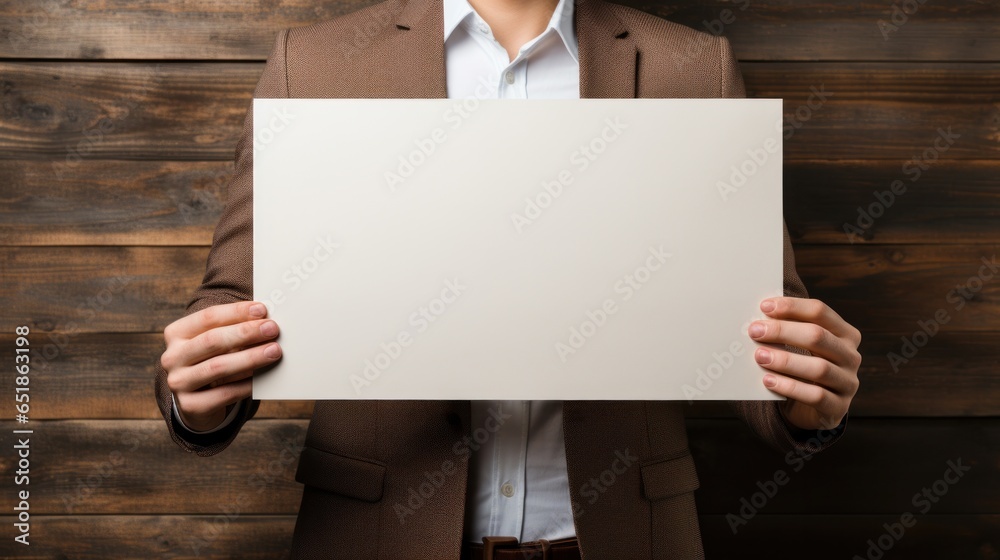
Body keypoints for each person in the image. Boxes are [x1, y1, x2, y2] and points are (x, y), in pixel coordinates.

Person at [155, 0, 862, 558]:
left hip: (619, 537)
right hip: (378, 537)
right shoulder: (310, 66)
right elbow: (233, 299)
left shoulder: (693, 68)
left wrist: (806, 392)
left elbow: (759, 322)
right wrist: (199, 394)